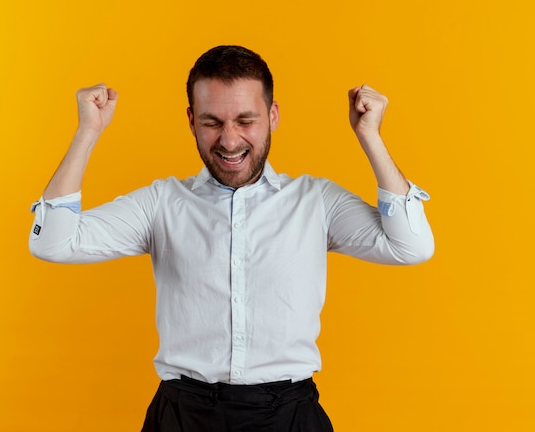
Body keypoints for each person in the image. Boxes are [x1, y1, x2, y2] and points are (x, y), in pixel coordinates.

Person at [29, 45, 434, 431]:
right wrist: (87, 132)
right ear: (191, 120)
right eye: (211, 122)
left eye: (245, 120)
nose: (229, 140)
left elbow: (410, 246)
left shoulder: (316, 201)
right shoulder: (161, 203)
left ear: (273, 115)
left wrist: (371, 138)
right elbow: (52, 242)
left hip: (290, 418)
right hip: (183, 417)